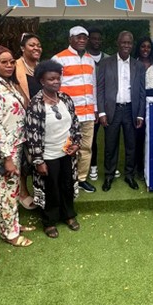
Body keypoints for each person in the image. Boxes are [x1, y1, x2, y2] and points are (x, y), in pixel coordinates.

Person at [0, 45, 34, 247]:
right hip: (5, 150)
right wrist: (7, 157)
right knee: (4, 191)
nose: (10, 65)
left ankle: (13, 224)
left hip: (17, 145)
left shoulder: (9, 84)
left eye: (12, 61)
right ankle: (9, 233)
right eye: (4, 62)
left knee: (13, 189)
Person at [25, 60, 82, 238]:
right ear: (42, 81)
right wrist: (38, 161)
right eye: (51, 79)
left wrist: (76, 144)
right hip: (47, 155)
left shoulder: (65, 99)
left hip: (66, 153)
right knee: (51, 189)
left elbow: (75, 124)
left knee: (66, 186)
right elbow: (32, 134)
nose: (56, 82)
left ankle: (68, 215)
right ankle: (49, 222)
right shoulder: (36, 104)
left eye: (58, 78)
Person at [98, 31, 146, 191]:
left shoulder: (138, 65)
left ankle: (129, 175)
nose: (126, 45)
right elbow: (100, 88)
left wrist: (140, 113)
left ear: (132, 45)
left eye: (129, 43)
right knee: (110, 145)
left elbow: (141, 91)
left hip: (131, 110)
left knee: (131, 145)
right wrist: (102, 112)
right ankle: (109, 175)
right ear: (118, 43)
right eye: (123, 42)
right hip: (113, 110)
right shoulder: (106, 63)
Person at [52, 26, 97, 193]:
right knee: (67, 148)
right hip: (69, 115)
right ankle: (67, 178)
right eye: (78, 37)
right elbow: (54, 87)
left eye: (84, 37)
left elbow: (93, 87)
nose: (82, 40)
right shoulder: (59, 59)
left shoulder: (89, 59)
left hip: (88, 113)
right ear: (70, 39)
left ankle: (82, 178)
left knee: (86, 148)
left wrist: (96, 109)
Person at [15, 32, 43, 209]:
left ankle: (38, 190)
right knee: (24, 158)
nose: (36, 48)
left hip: (41, 119)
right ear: (22, 48)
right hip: (23, 119)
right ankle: (22, 192)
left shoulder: (40, 67)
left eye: (38, 45)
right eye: (32, 45)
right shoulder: (15, 66)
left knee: (36, 156)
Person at [134, 36, 153, 177]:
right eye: (143, 46)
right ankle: (138, 167)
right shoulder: (134, 63)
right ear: (138, 48)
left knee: (152, 136)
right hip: (138, 101)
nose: (145, 49)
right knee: (138, 136)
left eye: (148, 47)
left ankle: (149, 167)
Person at [86, 27, 109, 181]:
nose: (96, 41)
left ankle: (110, 168)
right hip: (90, 106)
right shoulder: (83, 58)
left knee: (111, 138)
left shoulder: (108, 58)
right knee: (91, 139)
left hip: (107, 105)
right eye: (93, 38)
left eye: (98, 39)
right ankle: (92, 167)